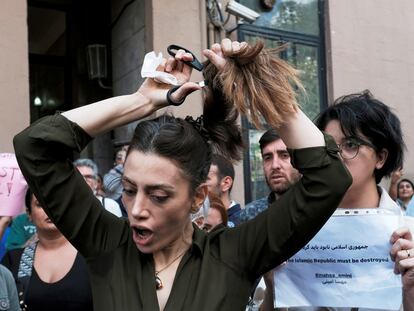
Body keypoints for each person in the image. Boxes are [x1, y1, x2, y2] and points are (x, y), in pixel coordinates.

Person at [13, 39, 351, 310]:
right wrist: (140, 102)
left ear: (197, 197)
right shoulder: (106, 244)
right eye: (130, 190)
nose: (137, 209)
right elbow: (35, 147)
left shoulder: (236, 254)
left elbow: (329, 180)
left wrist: (261, 91)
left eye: (159, 195)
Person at [1, 188, 93, 311]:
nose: (50, 209)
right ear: (29, 214)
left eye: (58, 203)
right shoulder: (14, 259)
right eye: (40, 204)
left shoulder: (93, 257)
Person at [238, 129, 301, 223]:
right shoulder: (250, 215)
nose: (275, 165)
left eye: (284, 155)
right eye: (268, 158)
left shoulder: (319, 209)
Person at [206, 154, 241, 227]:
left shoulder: (241, 223)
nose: (200, 185)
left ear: (226, 183)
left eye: (206, 179)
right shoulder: (197, 219)